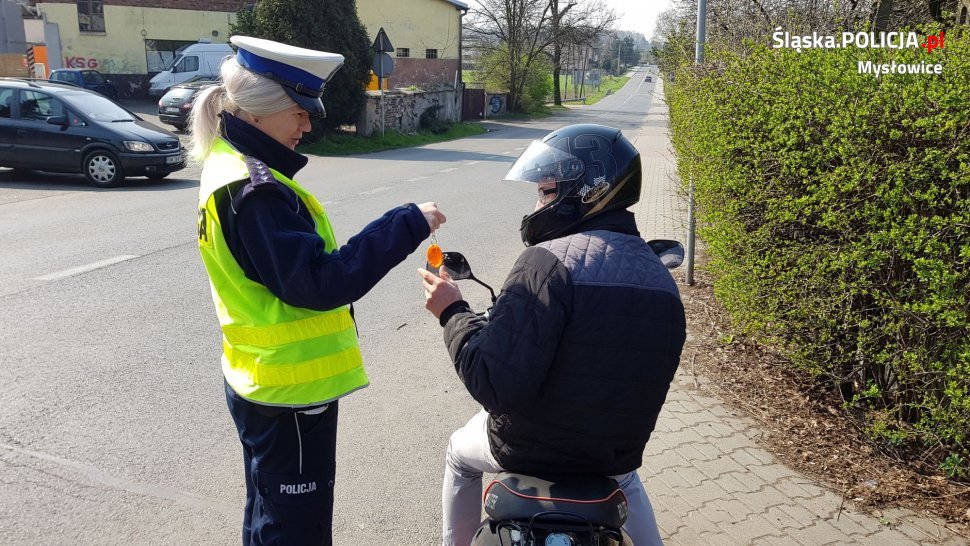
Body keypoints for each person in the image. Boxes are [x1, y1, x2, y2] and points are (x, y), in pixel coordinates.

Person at [191, 35, 446, 545]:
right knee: (296, 530)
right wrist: (405, 223)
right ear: (260, 112)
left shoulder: (232, 163)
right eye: (299, 112)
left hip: (260, 381)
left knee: (269, 511)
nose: (308, 124)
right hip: (290, 394)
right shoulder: (257, 190)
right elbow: (319, 282)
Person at [418, 124, 686, 546]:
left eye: (545, 192)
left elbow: (493, 381)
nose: (538, 202)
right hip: (613, 454)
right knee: (628, 479)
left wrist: (451, 309)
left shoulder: (546, 261)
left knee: (458, 455)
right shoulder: (662, 278)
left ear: (584, 191)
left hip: (530, 447)